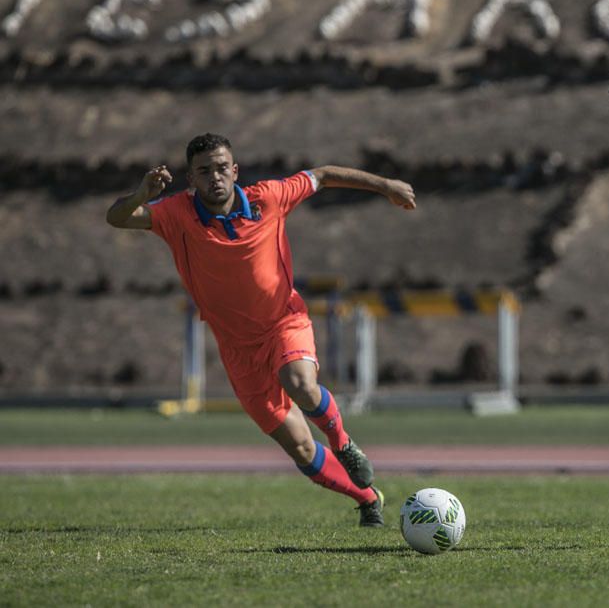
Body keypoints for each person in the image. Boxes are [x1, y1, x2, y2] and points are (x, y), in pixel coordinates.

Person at [106, 133, 416, 527]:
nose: (215, 177)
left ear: (235, 170)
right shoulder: (175, 214)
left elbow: (323, 175)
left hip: (284, 322)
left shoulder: (269, 197)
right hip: (238, 350)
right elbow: (116, 217)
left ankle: (344, 444)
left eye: (222, 168)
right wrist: (140, 194)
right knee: (301, 448)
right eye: (204, 171)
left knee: (299, 382)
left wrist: (386, 186)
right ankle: (368, 498)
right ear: (191, 179)